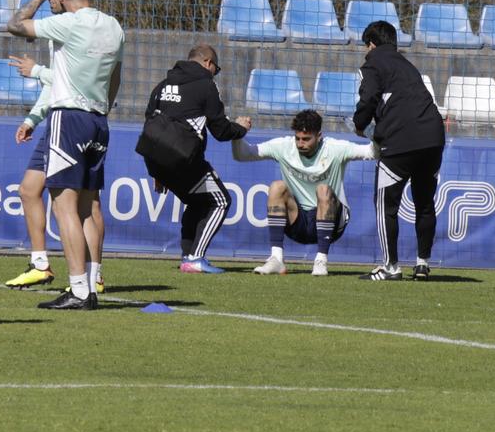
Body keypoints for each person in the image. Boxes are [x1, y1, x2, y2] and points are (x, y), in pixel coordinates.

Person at [8, 0, 124, 311]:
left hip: (69, 118)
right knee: (88, 206)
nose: (50, 5)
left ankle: (77, 290)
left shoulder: (68, 22)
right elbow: (115, 77)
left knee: (63, 204)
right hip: (99, 120)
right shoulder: (113, 26)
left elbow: (15, 25)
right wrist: (102, 108)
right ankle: (90, 281)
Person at [140, 43, 251, 273]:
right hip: (183, 158)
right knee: (221, 200)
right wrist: (241, 128)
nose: (214, 74)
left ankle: (187, 255)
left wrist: (156, 171)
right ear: (208, 63)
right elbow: (220, 131)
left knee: (198, 201)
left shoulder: (162, 85)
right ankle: (196, 258)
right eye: (216, 69)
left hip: (155, 157)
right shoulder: (206, 85)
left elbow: (149, 122)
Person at [352, 18, 448, 281]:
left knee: (386, 204)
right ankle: (422, 264)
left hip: (400, 140)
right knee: (425, 203)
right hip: (433, 137)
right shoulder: (407, 66)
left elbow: (369, 97)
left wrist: (359, 124)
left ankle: (390, 266)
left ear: (370, 45)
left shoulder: (372, 63)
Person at [5, 54, 106, 292]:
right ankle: (40, 265)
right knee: (29, 190)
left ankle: (94, 278)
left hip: (78, 120)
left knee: (88, 204)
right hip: (56, 122)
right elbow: (55, 85)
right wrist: (32, 119)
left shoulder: (87, 31)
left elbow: (72, 81)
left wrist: (37, 70)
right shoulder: (61, 33)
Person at [232, 108, 372, 276]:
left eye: (306, 139)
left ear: (319, 136)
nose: (300, 143)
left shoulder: (336, 148)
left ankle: (321, 261)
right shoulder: (284, 146)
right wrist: (238, 133)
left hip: (333, 223)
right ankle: (276, 260)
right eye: (297, 138)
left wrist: (374, 133)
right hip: (297, 223)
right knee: (277, 187)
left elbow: (372, 152)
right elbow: (242, 154)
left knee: (323, 190)